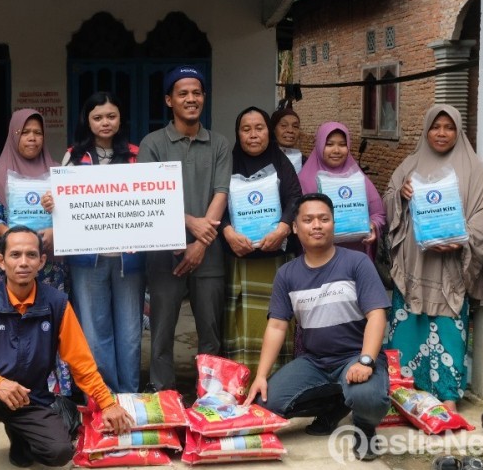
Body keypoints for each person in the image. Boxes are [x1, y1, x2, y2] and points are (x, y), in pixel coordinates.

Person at [0, 227, 133, 470]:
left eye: (31, 255)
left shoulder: (57, 304)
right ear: (1, 261)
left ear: (41, 262)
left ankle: (20, 436)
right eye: (15, 255)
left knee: (59, 452)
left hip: (30, 399)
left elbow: (80, 362)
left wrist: (108, 404)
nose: (23, 263)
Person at [245, 193, 390, 462]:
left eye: (324, 219)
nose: (317, 225)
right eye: (308, 220)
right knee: (266, 404)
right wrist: (261, 376)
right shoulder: (287, 274)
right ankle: (334, 405)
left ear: (334, 224)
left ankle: (366, 428)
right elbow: (277, 326)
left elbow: (377, 315)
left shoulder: (356, 263)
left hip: (355, 357)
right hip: (315, 362)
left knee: (368, 399)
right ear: (296, 228)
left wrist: (367, 360)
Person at [384, 105, 483, 412]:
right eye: (435, 126)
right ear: (426, 130)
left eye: (448, 127)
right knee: (409, 325)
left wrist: (462, 240)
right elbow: (388, 198)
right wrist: (401, 197)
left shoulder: (473, 168)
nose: (442, 133)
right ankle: (405, 393)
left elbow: (481, 213)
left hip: (450, 263)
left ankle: (448, 394)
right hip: (415, 261)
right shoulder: (410, 163)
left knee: (448, 327)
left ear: (458, 131)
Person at [138, 65, 232, 391]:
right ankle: (164, 397)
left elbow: (222, 192)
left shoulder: (219, 144)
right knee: (162, 333)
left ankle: (210, 398)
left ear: (203, 97)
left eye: (196, 93)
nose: (191, 99)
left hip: (210, 253)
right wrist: (192, 223)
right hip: (166, 253)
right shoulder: (152, 144)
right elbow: (151, 197)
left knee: (210, 330)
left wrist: (201, 243)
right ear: (169, 100)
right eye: (183, 94)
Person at [47, 91, 144, 393]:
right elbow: (61, 202)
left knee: (130, 330)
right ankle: (106, 397)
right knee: (94, 330)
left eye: (111, 116)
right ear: (87, 121)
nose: (105, 123)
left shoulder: (135, 154)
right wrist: (53, 202)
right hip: (87, 259)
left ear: (120, 119)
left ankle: (130, 395)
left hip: (129, 257)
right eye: (98, 117)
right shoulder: (74, 156)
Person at [0, 108, 73, 394]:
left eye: (38, 133)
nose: (32, 139)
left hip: (50, 266)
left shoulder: (57, 172)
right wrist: (13, 237)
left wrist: (56, 218)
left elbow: (74, 215)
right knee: (12, 325)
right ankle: (9, 386)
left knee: (50, 323)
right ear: (14, 135)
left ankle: (56, 390)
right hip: (13, 266)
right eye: (25, 133)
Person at [222, 106, 302, 374]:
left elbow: (295, 197)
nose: (253, 135)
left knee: (277, 318)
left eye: (260, 128)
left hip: (277, 260)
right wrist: (228, 231)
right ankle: (242, 381)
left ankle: (277, 381)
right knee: (242, 322)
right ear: (238, 134)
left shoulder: (281, 163)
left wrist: (282, 228)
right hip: (240, 259)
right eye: (246, 129)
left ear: (269, 132)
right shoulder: (227, 164)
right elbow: (217, 202)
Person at [298, 122, 385, 259]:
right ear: (320, 145)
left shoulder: (358, 178)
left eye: (342, 144)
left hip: (355, 256)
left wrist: (372, 226)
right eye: (330, 144)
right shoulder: (304, 180)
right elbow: (297, 221)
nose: (336, 150)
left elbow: (378, 214)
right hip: (318, 258)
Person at [270, 107, 306, 171]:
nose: (290, 130)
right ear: (273, 129)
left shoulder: (305, 163)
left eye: (295, 126)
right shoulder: (263, 160)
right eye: (283, 125)